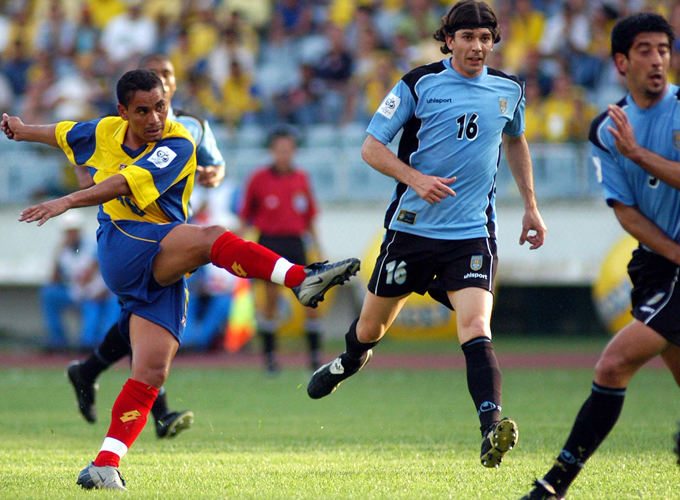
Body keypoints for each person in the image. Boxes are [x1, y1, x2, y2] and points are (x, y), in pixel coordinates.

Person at [2, 68, 360, 491]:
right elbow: (63, 134)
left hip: (160, 256)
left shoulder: (176, 141)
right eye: (143, 111)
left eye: (161, 106)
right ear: (122, 112)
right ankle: (300, 278)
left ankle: (105, 463)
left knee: (152, 370)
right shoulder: (104, 131)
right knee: (211, 239)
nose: (155, 118)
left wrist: (67, 199)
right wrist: (22, 130)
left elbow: (118, 178)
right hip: (124, 244)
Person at [306, 0, 546, 470]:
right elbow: (371, 147)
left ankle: (490, 427)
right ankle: (347, 362)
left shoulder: (509, 90)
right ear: (449, 40)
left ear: (493, 42)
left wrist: (532, 207)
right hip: (410, 232)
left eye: (485, 38)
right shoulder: (418, 84)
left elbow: (516, 140)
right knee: (370, 330)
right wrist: (416, 179)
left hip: (472, 234)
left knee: (476, 327)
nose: (477, 47)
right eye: (468, 37)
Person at [522, 13, 680, 500]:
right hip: (659, 262)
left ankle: (554, 485)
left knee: (613, 365)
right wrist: (675, 253)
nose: (657, 60)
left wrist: (639, 155)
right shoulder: (605, 129)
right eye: (646, 50)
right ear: (620, 61)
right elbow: (625, 212)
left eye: (664, 50)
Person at [65, 53, 227, 438]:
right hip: (129, 233)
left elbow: (217, 166)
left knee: (138, 314)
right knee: (145, 313)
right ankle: (160, 412)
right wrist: (83, 182)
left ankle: (88, 371)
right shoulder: (121, 126)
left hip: (171, 227)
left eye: (169, 75)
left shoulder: (192, 125)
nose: (166, 82)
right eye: (159, 76)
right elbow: (84, 151)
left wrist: (210, 174)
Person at [240, 125, 323, 373]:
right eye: (279, 149)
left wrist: (317, 248)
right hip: (270, 243)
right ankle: (270, 360)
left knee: (310, 300)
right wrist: (242, 245)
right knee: (270, 302)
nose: (283, 154)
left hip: (295, 242)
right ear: (272, 151)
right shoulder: (258, 179)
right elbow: (246, 216)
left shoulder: (301, 178)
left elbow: (309, 218)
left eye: (288, 149)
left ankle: (315, 359)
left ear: (294, 151)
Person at [40, 211, 119, 351]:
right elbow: (54, 279)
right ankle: (58, 340)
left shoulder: (94, 245)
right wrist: (57, 254)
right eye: (68, 232)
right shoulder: (63, 251)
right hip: (77, 292)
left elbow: (96, 272)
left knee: (103, 305)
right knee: (49, 293)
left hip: (99, 291)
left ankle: (100, 343)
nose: (71, 235)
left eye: (74, 231)